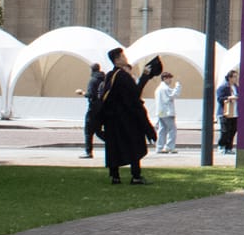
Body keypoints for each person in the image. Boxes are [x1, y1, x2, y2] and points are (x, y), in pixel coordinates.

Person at [93, 49, 153, 185]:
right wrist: (145, 76)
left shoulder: (110, 75)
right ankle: (136, 176)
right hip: (126, 119)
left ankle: (115, 176)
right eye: (123, 56)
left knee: (113, 147)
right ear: (117, 59)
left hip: (112, 119)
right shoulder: (123, 76)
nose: (125, 58)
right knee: (134, 145)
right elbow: (135, 94)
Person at [77, 62, 106, 158]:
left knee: (88, 131)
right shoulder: (105, 80)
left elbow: (91, 95)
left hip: (93, 108)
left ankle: (88, 152)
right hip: (102, 108)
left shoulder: (93, 80)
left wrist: (82, 93)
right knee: (98, 131)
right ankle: (114, 143)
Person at [153, 71, 180, 155]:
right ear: (164, 78)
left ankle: (159, 147)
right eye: (169, 78)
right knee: (172, 129)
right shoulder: (165, 88)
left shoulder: (158, 89)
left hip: (160, 112)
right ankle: (170, 147)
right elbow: (173, 95)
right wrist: (178, 87)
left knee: (162, 130)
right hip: (167, 112)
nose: (170, 80)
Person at [216, 68, 239, 156]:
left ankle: (229, 147)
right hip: (225, 113)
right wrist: (229, 98)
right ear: (229, 78)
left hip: (234, 112)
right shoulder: (223, 87)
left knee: (233, 130)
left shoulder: (236, 87)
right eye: (234, 77)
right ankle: (221, 146)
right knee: (225, 131)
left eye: (236, 77)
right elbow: (220, 99)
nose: (236, 78)